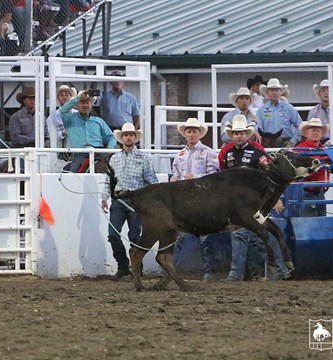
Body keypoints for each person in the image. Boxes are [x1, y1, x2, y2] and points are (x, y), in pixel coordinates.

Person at [218, 114, 289, 281]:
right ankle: (279, 270)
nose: (238, 136)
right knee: (256, 235)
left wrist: (275, 197)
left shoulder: (257, 150)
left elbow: (268, 174)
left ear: (246, 134)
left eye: (241, 132)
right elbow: (221, 175)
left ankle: (237, 273)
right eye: (236, 133)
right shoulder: (225, 152)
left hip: (255, 199)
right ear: (232, 135)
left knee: (243, 233)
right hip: (235, 201)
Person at [101, 122, 158, 280]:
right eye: (126, 135)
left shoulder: (144, 158)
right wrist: (104, 198)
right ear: (122, 138)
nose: (128, 137)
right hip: (118, 200)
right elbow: (109, 180)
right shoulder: (114, 159)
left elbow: (151, 181)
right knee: (113, 235)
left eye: (131, 135)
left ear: (135, 138)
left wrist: (151, 201)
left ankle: (136, 268)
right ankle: (123, 266)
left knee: (134, 236)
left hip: (136, 201)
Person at [169, 118, 219, 280]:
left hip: (203, 200)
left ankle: (209, 272)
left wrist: (195, 177)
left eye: (194, 131)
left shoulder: (209, 152)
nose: (191, 134)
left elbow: (214, 177)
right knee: (179, 237)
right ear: (185, 134)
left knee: (205, 238)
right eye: (189, 131)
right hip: (184, 201)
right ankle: (170, 271)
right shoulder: (180, 155)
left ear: (199, 134)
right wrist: (174, 180)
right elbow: (176, 174)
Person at [60, 89, 116, 172]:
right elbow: (63, 110)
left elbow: (110, 137)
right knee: (73, 172)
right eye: (82, 103)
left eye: (87, 103)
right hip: (80, 153)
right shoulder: (70, 119)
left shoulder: (99, 121)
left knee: (114, 169)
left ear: (91, 105)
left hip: (99, 152)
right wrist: (79, 98)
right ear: (77, 105)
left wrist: (109, 149)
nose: (85, 105)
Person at [293, 118, 330, 217]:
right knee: (308, 220)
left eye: (318, 130)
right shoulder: (300, 149)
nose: (315, 132)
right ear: (307, 133)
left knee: (320, 220)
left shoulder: (324, 150)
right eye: (312, 130)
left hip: (319, 191)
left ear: (321, 133)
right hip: (305, 191)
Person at [256, 78, 302, 147]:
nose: (274, 93)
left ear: (280, 92)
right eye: (272, 90)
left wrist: (293, 141)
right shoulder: (261, 110)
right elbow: (259, 129)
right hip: (268, 143)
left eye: (276, 90)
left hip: (286, 142)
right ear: (267, 93)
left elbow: (300, 126)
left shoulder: (289, 108)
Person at [307, 80, 333, 147]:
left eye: (328, 91)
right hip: (318, 140)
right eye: (323, 91)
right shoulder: (313, 111)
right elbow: (309, 130)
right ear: (319, 94)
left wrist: (328, 143)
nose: (326, 93)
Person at [46, 85, 76, 150]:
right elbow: (51, 135)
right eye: (61, 95)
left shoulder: (77, 113)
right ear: (58, 98)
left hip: (75, 147)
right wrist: (62, 133)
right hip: (58, 149)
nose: (64, 97)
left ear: (70, 97)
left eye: (66, 95)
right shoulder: (52, 116)